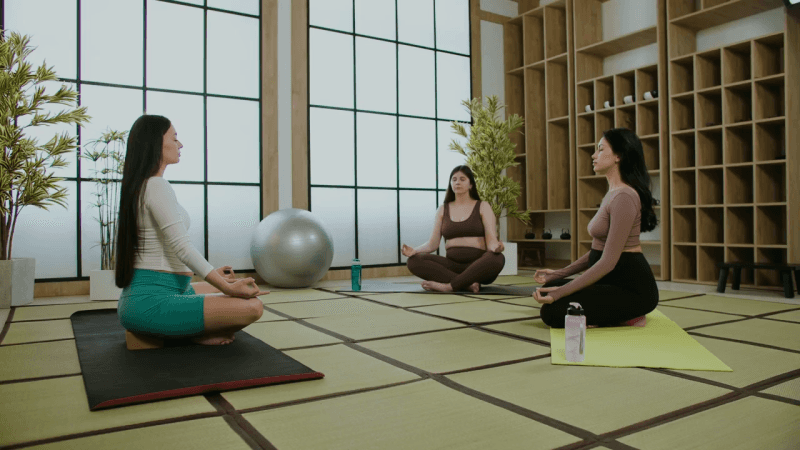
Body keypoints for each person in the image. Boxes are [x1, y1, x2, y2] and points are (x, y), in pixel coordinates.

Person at [115, 114, 268, 346]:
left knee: (230, 284)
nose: (180, 145)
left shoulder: (145, 186)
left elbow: (168, 250)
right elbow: (182, 247)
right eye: (175, 138)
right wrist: (226, 287)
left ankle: (190, 328)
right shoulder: (156, 186)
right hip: (152, 302)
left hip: (162, 292)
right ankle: (195, 334)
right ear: (157, 143)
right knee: (253, 306)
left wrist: (219, 278)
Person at [532, 128, 659, 328]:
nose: (594, 155)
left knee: (552, 312)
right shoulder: (612, 193)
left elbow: (608, 262)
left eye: (600, 149)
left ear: (618, 156)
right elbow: (597, 251)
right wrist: (559, 274)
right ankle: (613, 314)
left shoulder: (625, 197)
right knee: (550, 288)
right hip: (609, 282)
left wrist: (561, 293)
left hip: (631, 289)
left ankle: (630, 314)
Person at [401, 165, 505, 293]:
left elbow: (491, 242)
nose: (457, 182)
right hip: (451, 266)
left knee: (498, 258)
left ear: (471, 184)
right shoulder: (442, 209)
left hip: (478, 266)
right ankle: (467, 284)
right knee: (413, 261)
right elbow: (432, 244)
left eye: (462, 179)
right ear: (450, 184)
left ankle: (449, 286)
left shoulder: (483, 206)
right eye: (454, 179)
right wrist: (414, 251)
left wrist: (496, 248)